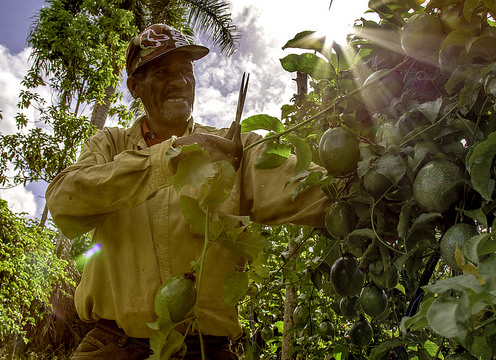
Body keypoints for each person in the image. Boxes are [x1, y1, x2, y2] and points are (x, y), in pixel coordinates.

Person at [45, 23, 330, 359]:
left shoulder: (235, 147)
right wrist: (169, 158)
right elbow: (64, 201)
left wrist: (371, 177)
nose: (179, 81)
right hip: (113, 345)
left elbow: (311, 189)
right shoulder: (109, 144)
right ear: (135, 86)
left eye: (185, 70)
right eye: (163, 71)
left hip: (206, 350)